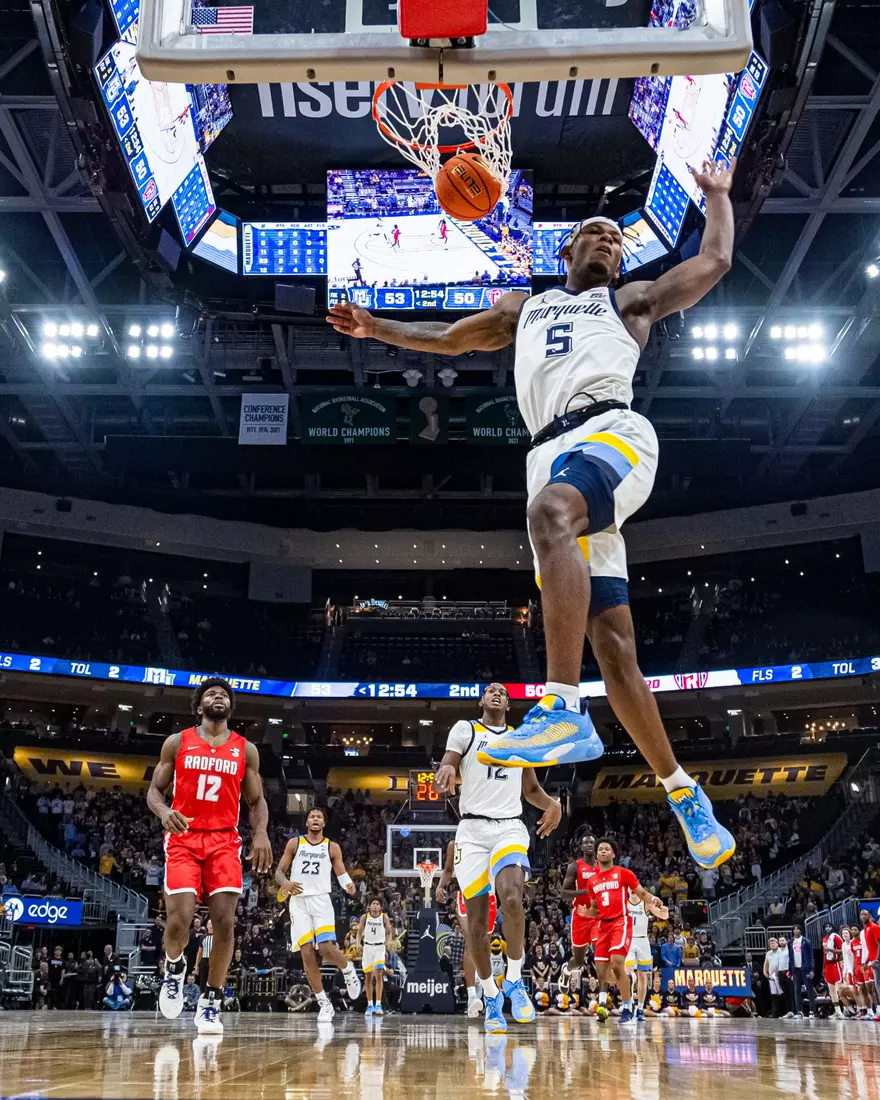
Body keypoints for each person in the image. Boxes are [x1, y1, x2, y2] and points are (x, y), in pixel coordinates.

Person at [326, 160, 739, 871]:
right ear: (566, 250)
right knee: (615, 648)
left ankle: (558, 706)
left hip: (613, 434)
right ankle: (681, 790)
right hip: (549, 455)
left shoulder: (633, 302)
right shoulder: (527, 308)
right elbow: (450, 340)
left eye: (617, 237)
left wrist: (720, 198)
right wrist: (375, 329)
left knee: (552, 513)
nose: (610, 241)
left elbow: (716, 259)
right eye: (596, 233)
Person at [432, 683, 562, 1033]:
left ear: (508, 703)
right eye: (490, 690)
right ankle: (490, 995)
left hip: (508, 827)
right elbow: (449, 761)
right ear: (482, 700)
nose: (496, 692)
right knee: (477, 924)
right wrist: (445, 770)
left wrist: (553, 804)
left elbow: (531, 790)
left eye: (502, 691)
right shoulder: (466, 729)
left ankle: (515, 981)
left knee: (512, 898)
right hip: (471, 831)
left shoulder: (520, 738)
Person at [147, 676, 272, 1035]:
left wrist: (260, 832)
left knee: (225, 922)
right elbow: (155, 791)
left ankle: (211, 1000)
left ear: (231, 706)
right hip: (184, 838)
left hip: (223, 841)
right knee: (179, 918)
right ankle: (173, 970)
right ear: (199, 705)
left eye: (224, 694)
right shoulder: (177, 742)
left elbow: (256, 800)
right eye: (211, 694)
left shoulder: (245, 749)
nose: (218, 697)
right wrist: (163, 812)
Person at [275, 807, 363, 1024]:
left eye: (319, 817)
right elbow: (278, 872)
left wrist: (349, 886)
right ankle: (324, 1003)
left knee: (325, 948)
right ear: (307, 822)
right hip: (298, 903)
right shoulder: (294, 843)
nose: (315, 820)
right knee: (306, 954)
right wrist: (285, 883)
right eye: (312, 817)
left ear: (323, 823)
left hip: (322, 901)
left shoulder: (331, 847)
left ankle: (347, 968)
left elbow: (341, 872)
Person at [578, 837, 665, 1025]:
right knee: (602, 974)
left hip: (620, 922)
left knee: (617, 964)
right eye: (600, 849)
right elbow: (595, 909)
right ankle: (629, 979)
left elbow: (640, 892)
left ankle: (627, 1007)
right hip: (603, 926)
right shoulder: (592, 881)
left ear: (613, 854)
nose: (602, 851)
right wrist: (586, 912)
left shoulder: (623, 873)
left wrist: (653, 899)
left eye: (606, 849)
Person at [436, 838, 499, 1017]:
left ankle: (488, 994)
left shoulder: (492, 838)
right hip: (468, 893)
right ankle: (472, 996)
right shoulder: (454, 844)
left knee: (484, 944)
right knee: (471, 938)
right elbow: (449, 870)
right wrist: (441, 886)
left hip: (490, 894)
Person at [559, 833, 598, 1003]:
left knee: (599, 949)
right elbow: (563, 893)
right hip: (580, 915)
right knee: (579, 961)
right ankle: (567, 971)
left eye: (592, 842)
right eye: (586, 843)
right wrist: (582, 892)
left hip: (597, 914)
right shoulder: (575, 866)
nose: (589, 845)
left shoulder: (603, 866)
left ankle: (602, 996)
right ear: (581, 847)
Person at [626, 887, 669, 1021]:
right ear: (627, 890)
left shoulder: (646, 903)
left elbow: (662, 915)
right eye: (630, 888)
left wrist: (665, 912)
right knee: (628, 974)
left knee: (642, 976)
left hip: (643, 941)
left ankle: (639, 1008)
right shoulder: (623, 903)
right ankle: (630, 1005)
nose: (632, 889)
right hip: (628, 940)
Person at [357, 898, 391, 1016]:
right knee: (368, 977)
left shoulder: (384, 917)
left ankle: (378, 1004)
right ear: (370, 906)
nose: (375, 906)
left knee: (379, 974)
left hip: (379, 948)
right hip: (367, 947)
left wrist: (388, 942)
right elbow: (359, 932)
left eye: (378, 904)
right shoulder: (364, 917)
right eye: (373, 903)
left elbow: (389, 932)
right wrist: (358, 944)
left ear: (380, 907)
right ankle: (370, 1005)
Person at [787, 923, 816, 1017]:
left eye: (797, 929)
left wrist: (812, 969)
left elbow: (811, 955)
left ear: (800, 930)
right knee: (797, 990)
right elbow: (790, 957)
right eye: (794, 929)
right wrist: (790, 970)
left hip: (806, 968)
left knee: (809, 990)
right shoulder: (790, 942)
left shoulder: (805, 941)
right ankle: (799, 1011)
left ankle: (812, 1011)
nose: (796, 931)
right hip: (795, 969)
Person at [822, 922, 845, 1019]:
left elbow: (842, 950)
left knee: (839, 989)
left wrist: (832, 951)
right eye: (826, 927)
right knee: (831, 991)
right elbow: (824, 954)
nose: (828, 928)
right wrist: (823, 967)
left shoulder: (836, 937)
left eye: (829, 926)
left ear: (832, 927)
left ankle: (845, 1010)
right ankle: (837, 1011)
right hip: (827, 966)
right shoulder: (824, 939)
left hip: (835, 964)